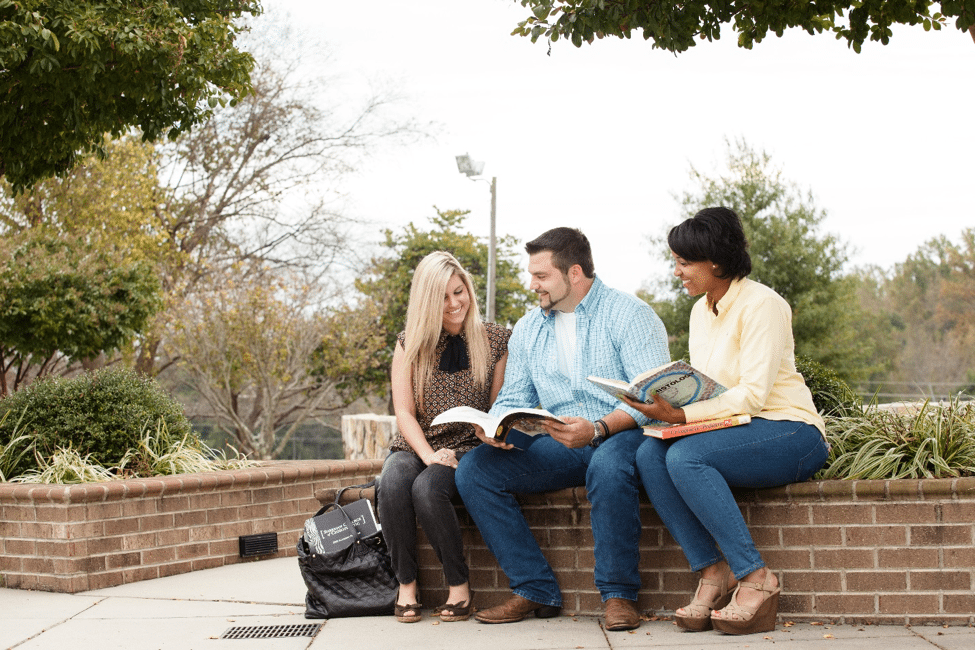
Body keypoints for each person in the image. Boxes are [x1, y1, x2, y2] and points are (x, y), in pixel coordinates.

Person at [625, 207, 829, 635]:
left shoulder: (763, 305)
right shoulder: (702, 310)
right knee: (648, 454)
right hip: (737, 427)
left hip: (791, 431)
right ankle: (714, 573)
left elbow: (753, 395)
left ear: (715, 262)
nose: (676, 271)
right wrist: (668, 404)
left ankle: (757, 578)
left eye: (684, 262)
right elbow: (712, 390)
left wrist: (681, 415)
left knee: (685, 459)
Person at [454, 227, 669, 631]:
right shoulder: (529, 328)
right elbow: (514, 393)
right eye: (531, 274)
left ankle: (619, 594)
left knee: (607, 467)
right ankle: (534, 588)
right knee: (475, 469)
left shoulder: (630, 315)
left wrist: (600, 428)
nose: (531, 284)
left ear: (573, 273)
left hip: (623, 434)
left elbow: (653, 401)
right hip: (561, 441)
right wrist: (496, 425)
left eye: (540, 276)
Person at [377, 251, 511, 624]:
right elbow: (403, 412)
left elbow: (500, 406)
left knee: (427, 489)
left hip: (470, 445)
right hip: (418, 442)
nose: (454, 304)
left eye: (459, 292)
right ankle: (406, 585)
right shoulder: (410, 344)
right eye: (443, 297)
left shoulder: (497, 339)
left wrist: (487, 432)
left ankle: (459, 588)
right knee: (391, 482)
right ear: (426, 301)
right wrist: (428, 454)